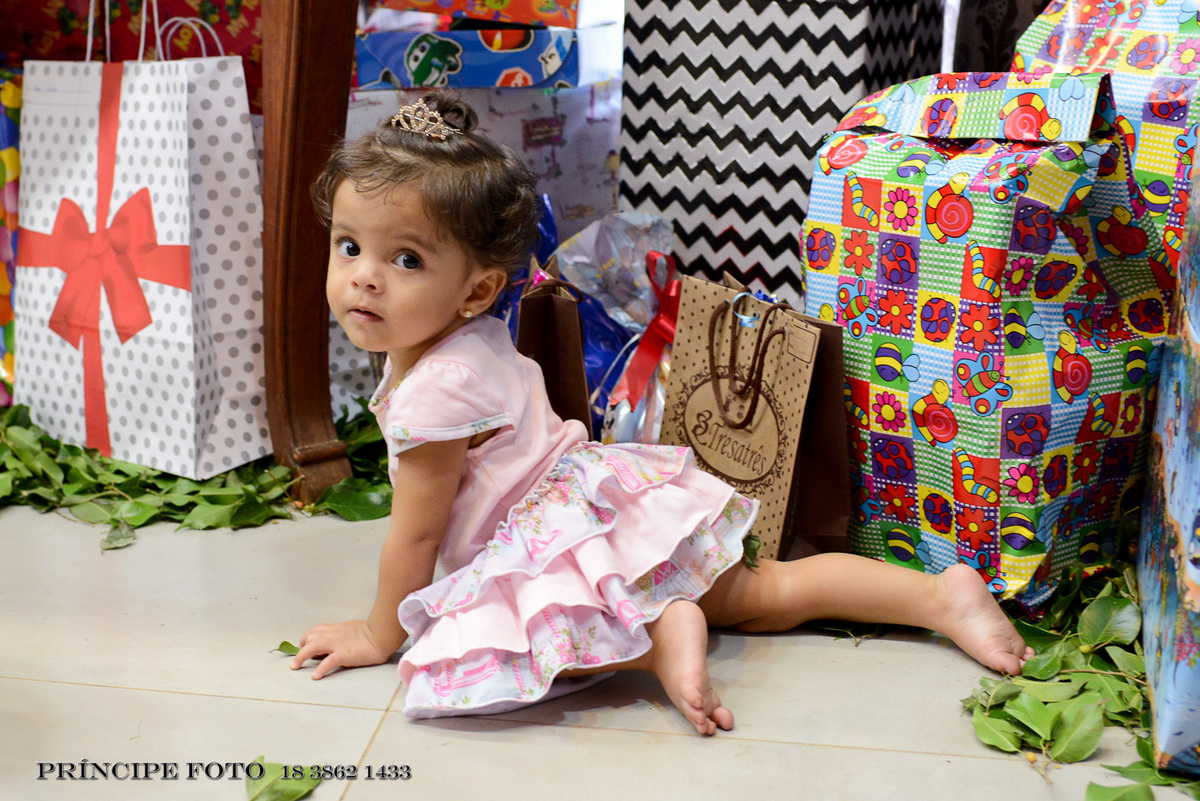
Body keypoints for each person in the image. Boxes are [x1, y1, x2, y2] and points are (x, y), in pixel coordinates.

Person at [290, 90, 1033, 736]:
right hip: (609, 506)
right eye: (349, 246)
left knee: (484, 642)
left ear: (478, 289)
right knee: (763, 590)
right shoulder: (468, 335)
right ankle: (937, 596)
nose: (364, 278)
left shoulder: (434, 389)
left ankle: (652, 642)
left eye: (406, 260)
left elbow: (417, 533)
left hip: (556, 546)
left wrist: (378, 631)